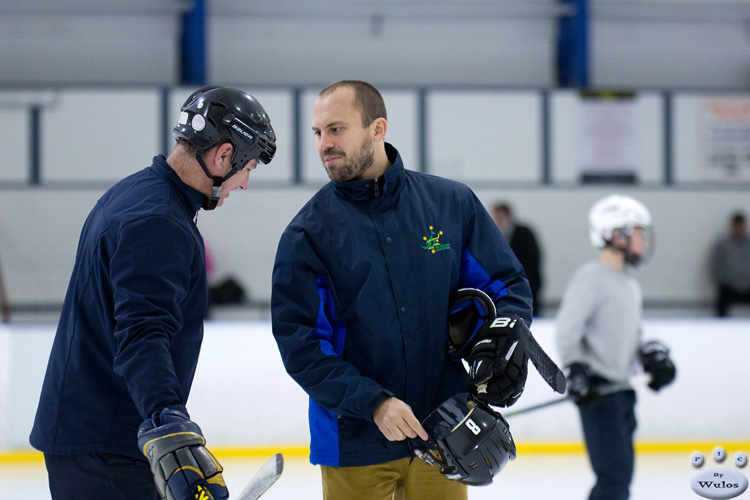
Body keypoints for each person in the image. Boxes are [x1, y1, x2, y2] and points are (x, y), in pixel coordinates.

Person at [270, 80, 533, 500]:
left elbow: (506, 284)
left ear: (378, 129)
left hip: (445, 432)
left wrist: (503, 341)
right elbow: (301, 345)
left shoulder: (450, 204)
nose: (324, 145)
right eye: (317, 133)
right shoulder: (307, 236)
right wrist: (373, 402)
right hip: (354, 441)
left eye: (336, 129)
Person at [29, 86, 276, 500]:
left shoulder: (137, 194)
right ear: (223, 155)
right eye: (247, 167)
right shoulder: (159, 221)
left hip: (98, 436)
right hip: (108, 447)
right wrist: (170, 429)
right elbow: (144, 333)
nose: (245, 183)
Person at [555, 194, 676, 500]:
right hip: (599, 396)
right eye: (638, 233)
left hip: (622, 393)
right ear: (614, 234)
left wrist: (650, 356)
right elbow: (568, 333)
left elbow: (631, 335)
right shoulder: (591, 279)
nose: (644, 241)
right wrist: (576, 370)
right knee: (613, 478)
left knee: (621, 476)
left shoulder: (628, 284)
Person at [492, 202, 544, 316]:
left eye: (500, 217)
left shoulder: (524, 233)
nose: (498, 221)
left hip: (527, 281)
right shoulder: (492, 236)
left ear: (508, 216)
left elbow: (533, 258)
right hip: (503, 285)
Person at [710, 211, 750, 317]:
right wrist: (729, 281)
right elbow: (716, 268)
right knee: (722, 298)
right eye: (736, 226)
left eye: (740, 226)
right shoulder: (723, 245)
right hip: (730, 287)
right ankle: (721, 327)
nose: (739, 229)